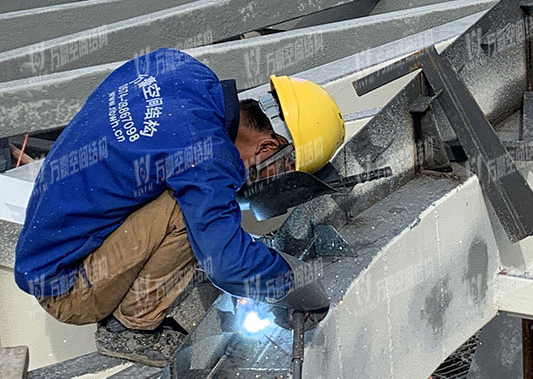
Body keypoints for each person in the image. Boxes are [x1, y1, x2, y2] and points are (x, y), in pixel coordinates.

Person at [14, 48, 345, 366]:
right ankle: (132, 328)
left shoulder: (182, 70)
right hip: (67, 288)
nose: (270, 182)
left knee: (195, 202)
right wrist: (291, 281)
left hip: (52, 249)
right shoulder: (208, 155)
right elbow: (227, 265)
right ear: (270, 145)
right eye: (282, 171)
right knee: (187, 209)